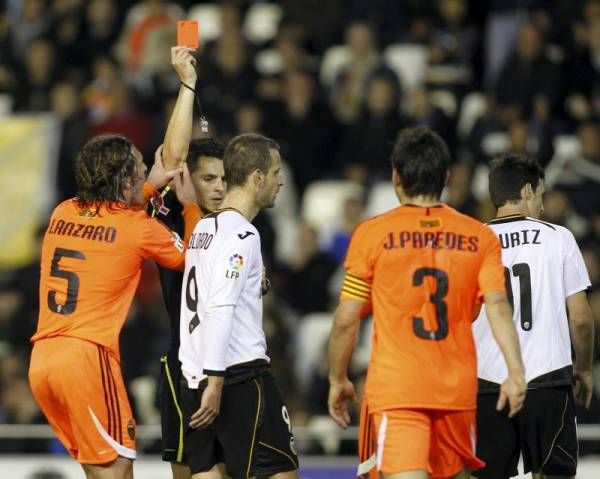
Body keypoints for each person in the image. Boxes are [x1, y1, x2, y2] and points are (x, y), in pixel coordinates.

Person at [327, 126, 527, 479]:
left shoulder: (372, 234)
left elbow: (346, 317)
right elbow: (497, 306)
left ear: (396, 177)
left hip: (398, 388)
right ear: (446, 177)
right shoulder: (479, 236)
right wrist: (515, 371)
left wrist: (337, 379)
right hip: (457, 389)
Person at [28, 134, 191, 479]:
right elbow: (195, 258)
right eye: (140, 165)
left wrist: (145, 189)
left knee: (98, 469)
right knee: (116, 469)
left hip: (44, 361)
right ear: (125, 180)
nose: (148, 166)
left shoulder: (63, 212)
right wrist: (189, 204)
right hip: (87, 358)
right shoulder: (139, 228)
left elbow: (110, 220)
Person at [179, 133, 299, 479]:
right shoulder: (243, 235)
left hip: (195, 375)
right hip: (237, 377)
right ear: (256, 177)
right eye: (276, 173)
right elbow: (219, 307)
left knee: (208, 471)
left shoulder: (204, 228)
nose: (281, 181)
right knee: (282, 471)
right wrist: (216, 384)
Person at [472, 154, 595, 479]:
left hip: (487, 383)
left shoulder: (472, 244)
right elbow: (580, 318)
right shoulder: (559, 237)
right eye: (540, 195)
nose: (541, 205)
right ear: (527, 190)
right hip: (547, 380)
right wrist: (583, 368)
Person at [144, 45, 228, 479]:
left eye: (223, 180)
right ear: (186, 182)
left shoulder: (238, 222)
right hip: (186, 365)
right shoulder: (172, 215)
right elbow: (173, 158)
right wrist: (187, 85)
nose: (217, 188)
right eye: (208, 178)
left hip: (236, 367)